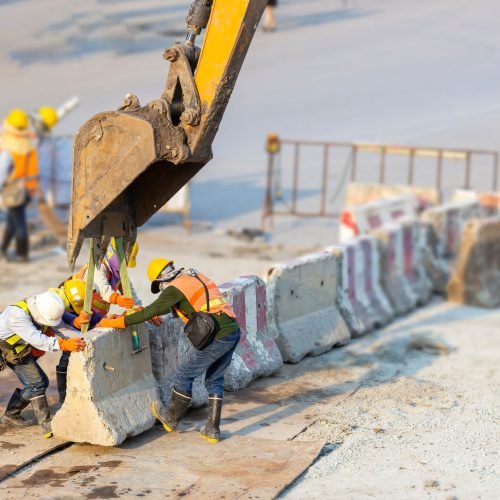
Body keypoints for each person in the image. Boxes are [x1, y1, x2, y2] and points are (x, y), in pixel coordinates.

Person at [98, 258, 241, 443]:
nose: (163, 290)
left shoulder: (174, 288)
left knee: (184, 375)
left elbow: (151, 310)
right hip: (232, 330)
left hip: (217, 335)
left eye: (161, 287)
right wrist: (156, 314)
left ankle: (171, 417)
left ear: (161, 280)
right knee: (215, 379)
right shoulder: (192, 276)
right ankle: (212, 429)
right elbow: (189, 305)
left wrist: (119, 322)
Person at [0, 291, 85, 437]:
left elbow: (59, 327)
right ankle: (47, 424)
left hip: (19, 351)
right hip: (8, 350)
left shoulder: (43, 306)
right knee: (37, 383)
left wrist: (82, 336)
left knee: (41, 382)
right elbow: (38, 340)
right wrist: (64, 344)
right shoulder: (17, 317)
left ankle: (11, 414)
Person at [49, 278, 105, 404]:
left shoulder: (82, 292)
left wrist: (110, 320)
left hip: (74, 326)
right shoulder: (56, 304)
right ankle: (64, 400)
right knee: (64, 363)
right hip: (58, 331)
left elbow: (93, 316)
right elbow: (62, 328)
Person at [0, 109, 39, 262]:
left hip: (14, 190)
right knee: (12, 218)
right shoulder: (30, 144)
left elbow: (2, 171)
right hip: (29, 188)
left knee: (19, 221)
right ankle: (3, 248)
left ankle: (22, 254)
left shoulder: (10, 147)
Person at [74, 239, 140, 310]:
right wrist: (117, 298)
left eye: (127, 262)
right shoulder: (99, 265)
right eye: (124, 261)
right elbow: (102, 289)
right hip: (75, 305)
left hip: (95, 313)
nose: (125, 265)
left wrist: (140, 309)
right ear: (113, 252)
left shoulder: (119, 274)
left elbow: (130, 294)